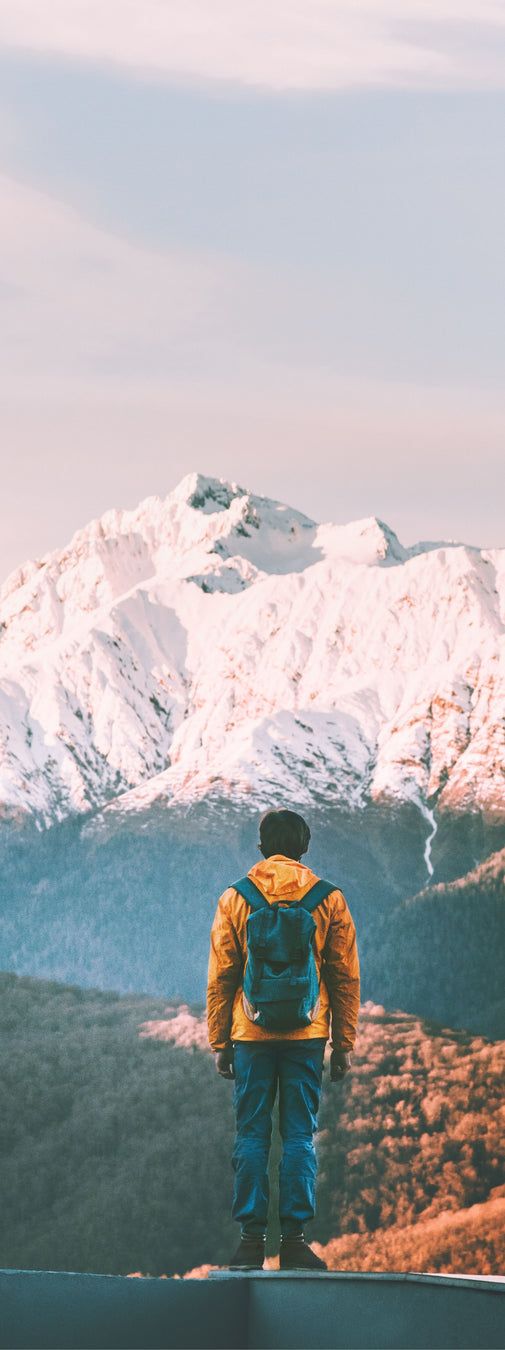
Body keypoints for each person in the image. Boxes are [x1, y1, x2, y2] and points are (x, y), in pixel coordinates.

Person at [207, 806, 360, 1270]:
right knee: (299, 1135)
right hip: (307, 1035)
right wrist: (343, 1043)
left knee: (252, 1134)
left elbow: (223, 975)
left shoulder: (236, 898)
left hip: (250, 1034)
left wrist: (220, 1041)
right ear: (304, 848)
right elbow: (343, 976)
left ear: (261, 848)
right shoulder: (328, 899)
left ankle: (250, 1242)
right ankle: (294, 1241)